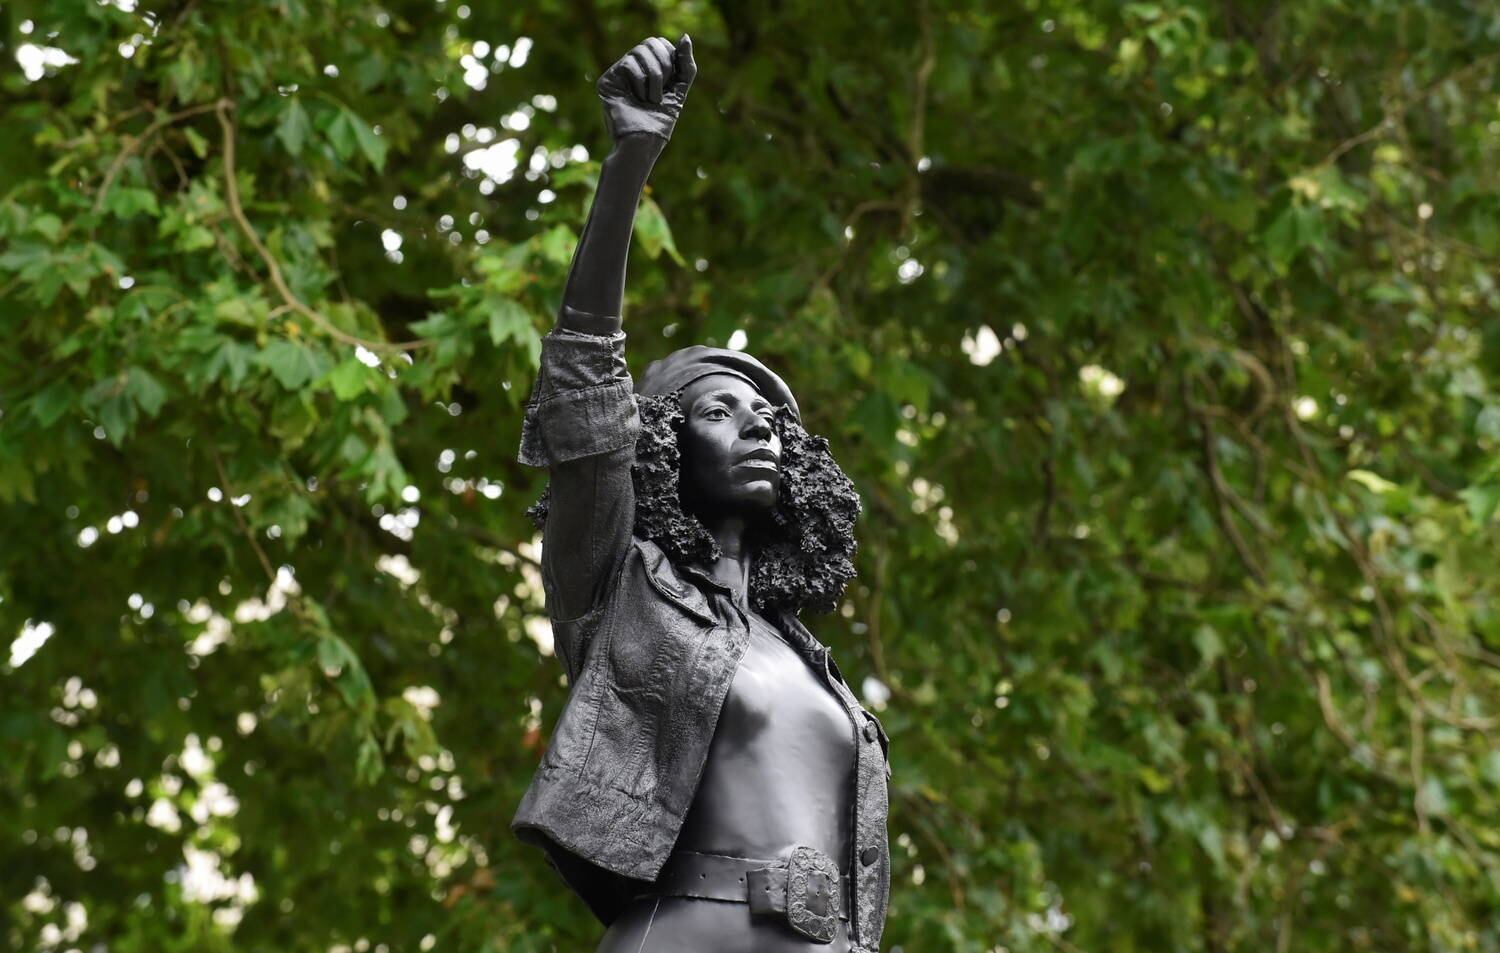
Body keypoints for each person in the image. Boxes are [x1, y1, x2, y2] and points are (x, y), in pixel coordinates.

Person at [513, 34, 891, 953]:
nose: (759, 425)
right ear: (667, 447)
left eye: (771, 418)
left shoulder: (812, 661)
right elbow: (587, 391)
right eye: (722, 410)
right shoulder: (620, 584)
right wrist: (629, 164)